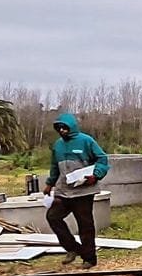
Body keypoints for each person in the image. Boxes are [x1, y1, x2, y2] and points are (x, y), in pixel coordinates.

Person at [42, 112, 109, 267]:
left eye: (64, 127)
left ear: (71, 127)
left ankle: (89, 258)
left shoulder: (86, 141)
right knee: (53, 217)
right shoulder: (58, 145)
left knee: (85, 225)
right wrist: (50, 183)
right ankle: (72, 248)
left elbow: (102, 159)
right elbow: (54, 167)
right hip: (64, 191)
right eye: (59, 128)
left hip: (83, 191)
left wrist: (96, 175)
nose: (62, 131)